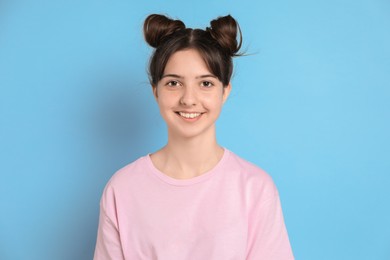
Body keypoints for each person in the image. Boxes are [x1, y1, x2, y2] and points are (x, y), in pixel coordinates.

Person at [94, 13, 294, 260]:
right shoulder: (122, 189)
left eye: (206, 83)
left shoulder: (255, 188)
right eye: (174, 83)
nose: (189, 99)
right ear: (155, 90)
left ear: (225, 91)